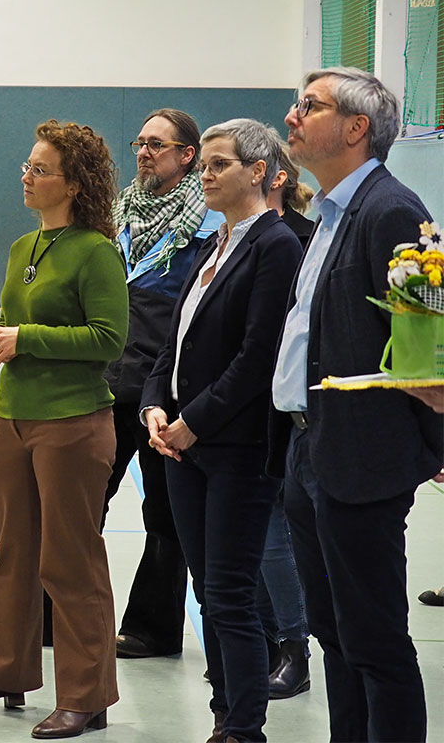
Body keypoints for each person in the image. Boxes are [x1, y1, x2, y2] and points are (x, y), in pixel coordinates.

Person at [0, 120, 127, 739]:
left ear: (73, 185)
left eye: (40, 170)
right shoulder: (24, 247)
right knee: (12, 556)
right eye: (27, 165)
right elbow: (15, 317)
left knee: (70, 562)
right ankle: (5, 670)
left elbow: (109, 339)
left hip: (73, 423)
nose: (27, 175)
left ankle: (86, 695)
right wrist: (2, 333)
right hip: (11, 419)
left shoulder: (97, 250)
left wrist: (27, 339)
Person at [271, 66, 442, 742]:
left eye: (306, 106)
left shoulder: (391, 210)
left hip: (361, 460)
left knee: (374, 640)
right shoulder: (330, 213)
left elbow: (428, 333)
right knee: (335, 636)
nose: (292, 116)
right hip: (310, 448)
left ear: (354, 128)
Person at [141, 119, 303, 743]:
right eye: (202, 165)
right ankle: (223, 708)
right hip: (183, 446)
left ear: (258, 171)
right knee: (209, 591)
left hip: (235, 447)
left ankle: (243, 726)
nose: (203, 175)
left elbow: (259, 358)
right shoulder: (218, 244)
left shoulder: (276, 243)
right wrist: (156, 407)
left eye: (218, 165)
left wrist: (192, 423)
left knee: (232, 593)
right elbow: (173, 343)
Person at [103, 108, 224, 659]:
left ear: (187, 156)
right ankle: (58, 615)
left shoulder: (205, 229)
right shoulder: (118, 216)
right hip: (104, 382)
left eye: (157, 144)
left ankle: (153, 627)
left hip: (163, 391)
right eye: (140, 142)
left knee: (165, 516)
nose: (144, 152)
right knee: (79, 504)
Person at [255, 143, 314, 701]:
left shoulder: (298, 237)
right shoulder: (227, 239)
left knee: (276, 535)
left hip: (281, 408)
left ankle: (294, 647)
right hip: (243, 408)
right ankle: (266, 641)